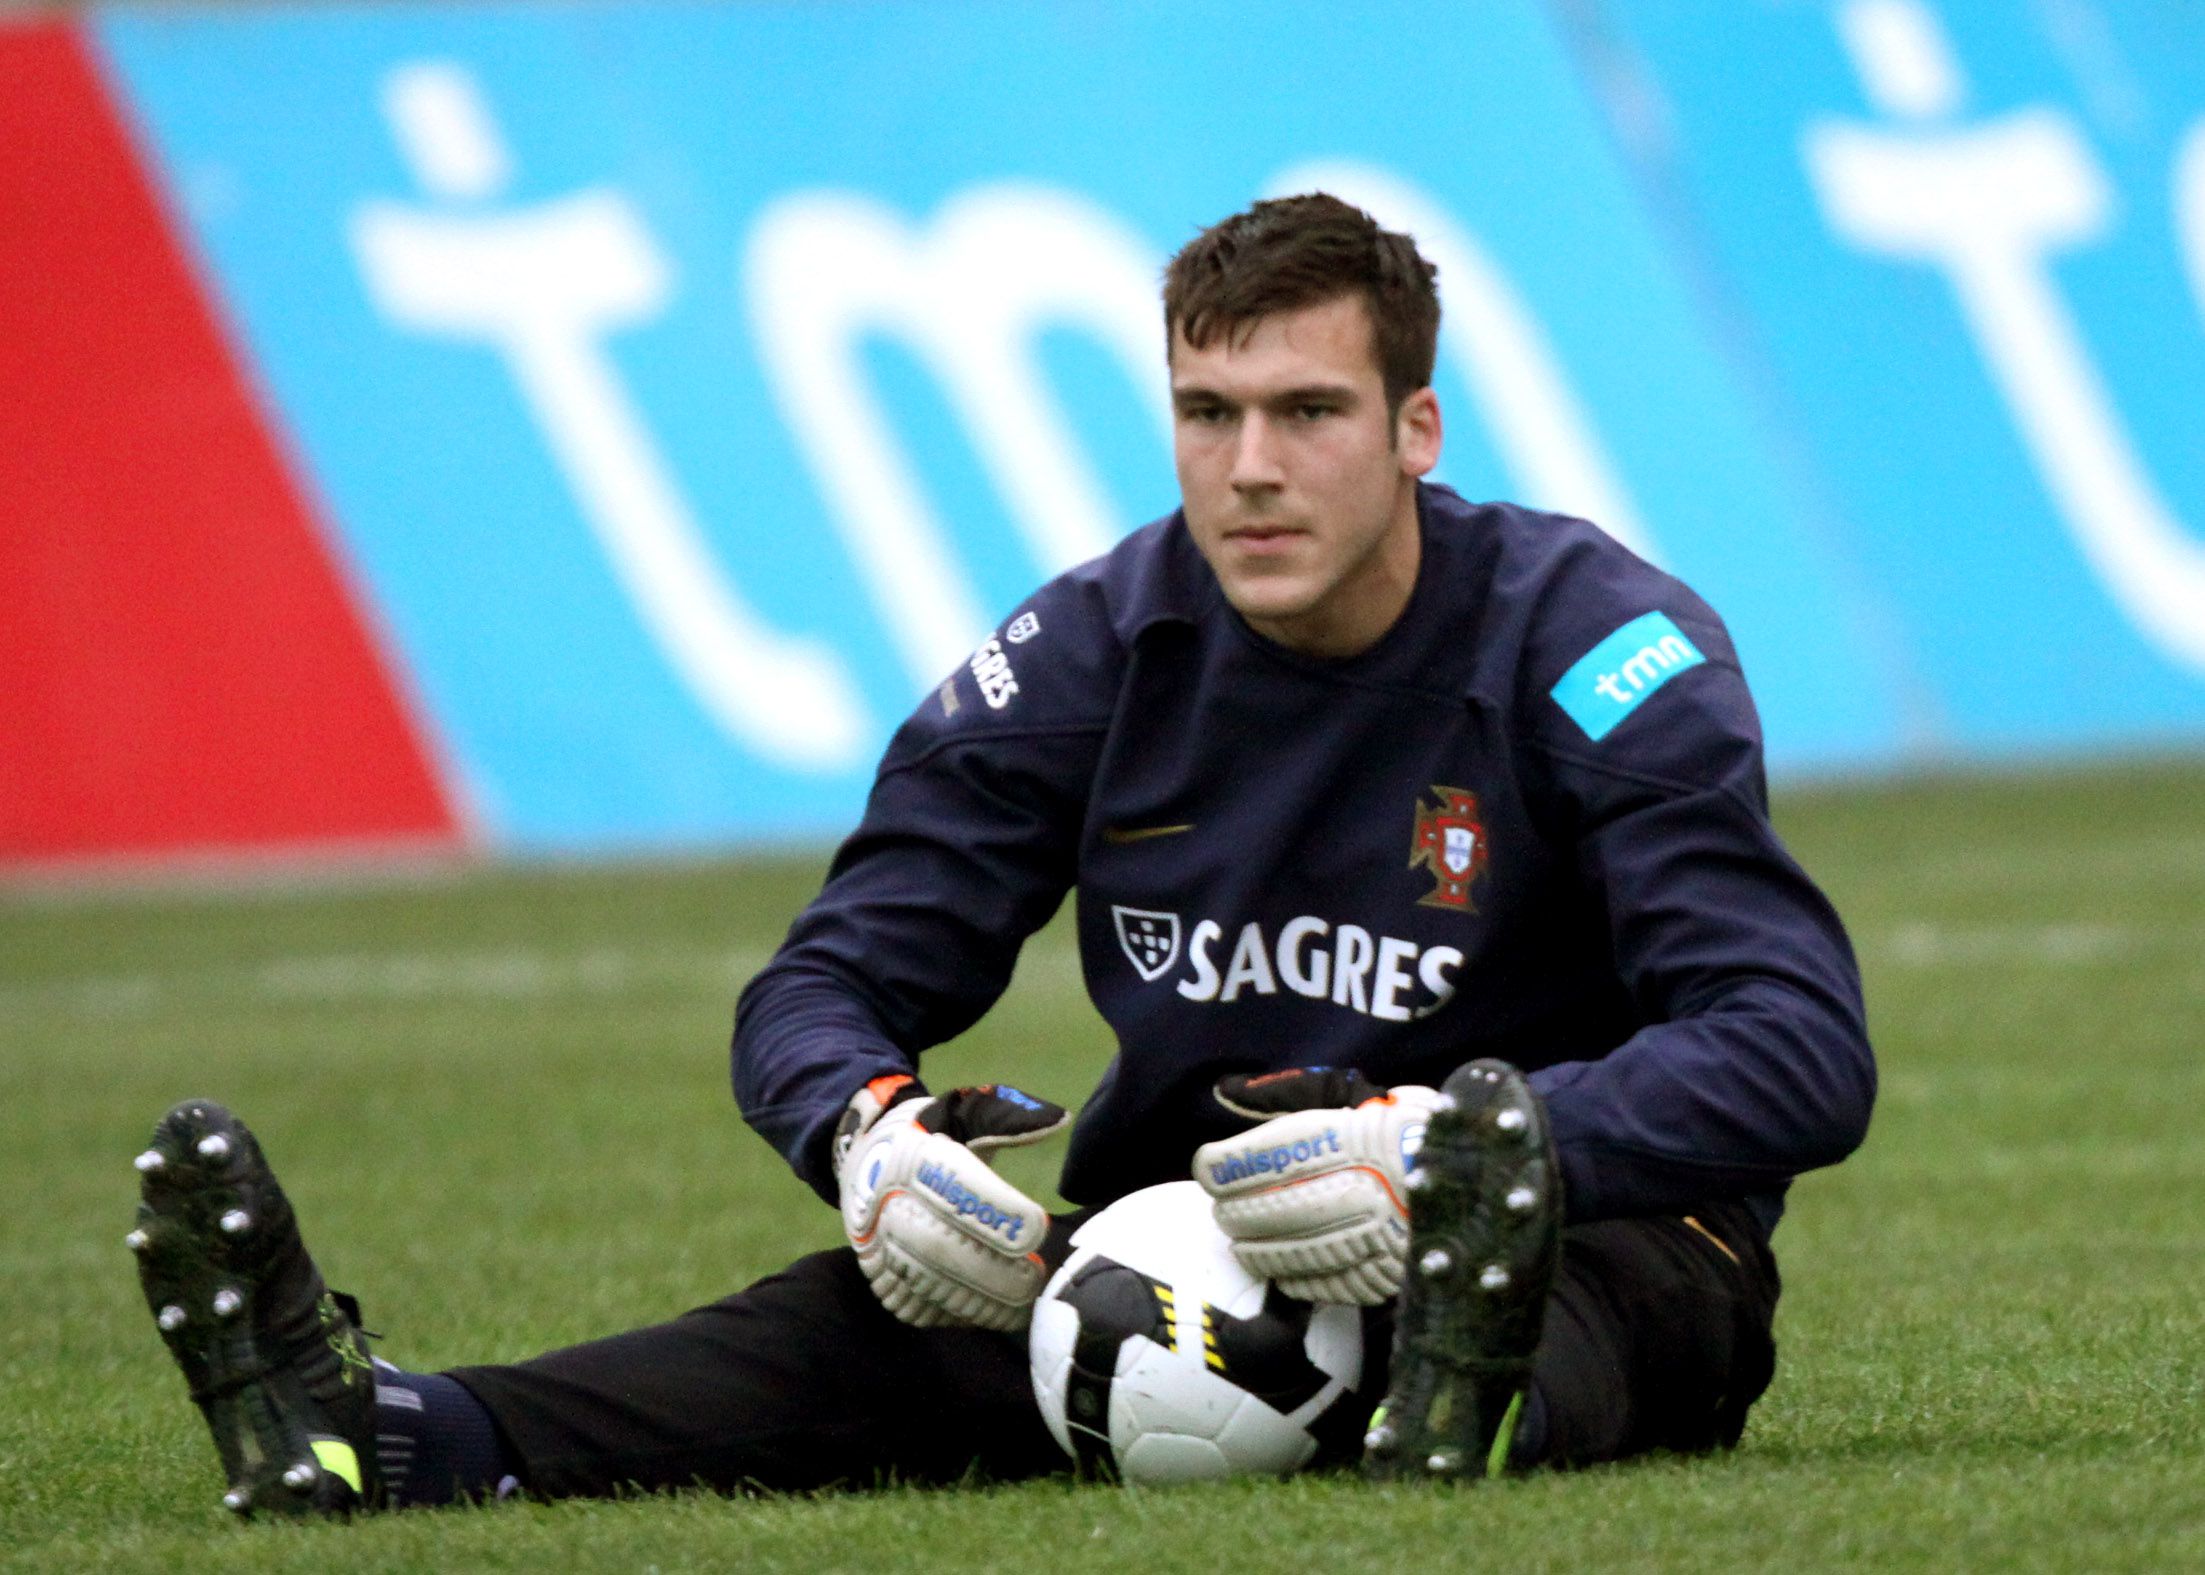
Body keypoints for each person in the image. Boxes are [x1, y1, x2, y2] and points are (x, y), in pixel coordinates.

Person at [130, 193, 1874, 1515]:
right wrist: (864, 1134)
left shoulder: (1596, 647)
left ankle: (1469, 1398)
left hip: (1582, 1229)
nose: (1249, 469)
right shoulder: (1093, 653)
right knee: (873, 1332)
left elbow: (1796, 1051)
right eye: (1205, 412)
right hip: (1193, 1233)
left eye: (1307, 412)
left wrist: (1473, 1149)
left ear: (1417, 429)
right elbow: (832, 975)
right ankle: (384, 1437)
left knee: (1576, 1288)